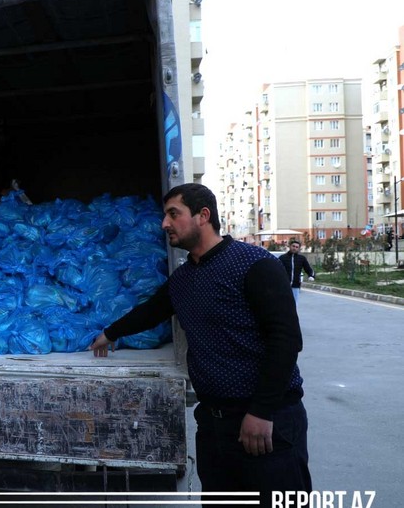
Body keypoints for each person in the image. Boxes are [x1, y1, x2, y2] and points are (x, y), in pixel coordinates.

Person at [90, 183, 310, 505]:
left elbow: (286, 339)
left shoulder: (254, 264)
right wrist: (110, 333)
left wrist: (261, 411)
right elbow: (150, 311)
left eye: (173, 214)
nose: (165, 224)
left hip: (266, 423)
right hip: (214, 427)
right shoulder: (183, 279)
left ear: (203, 216)